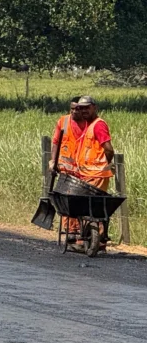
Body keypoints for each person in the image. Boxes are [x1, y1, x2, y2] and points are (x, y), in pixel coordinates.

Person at [55, 95, 115, 249]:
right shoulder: (88, 124)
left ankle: (93, 239)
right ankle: (90, 238)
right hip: (86, 173)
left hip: (96, 173)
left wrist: (104, 165)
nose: (83, 111)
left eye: (87, 107)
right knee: (88, 206)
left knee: (91, 207)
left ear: (95, 107)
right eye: (81, 108)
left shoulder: (98, 125)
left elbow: (108, 149)